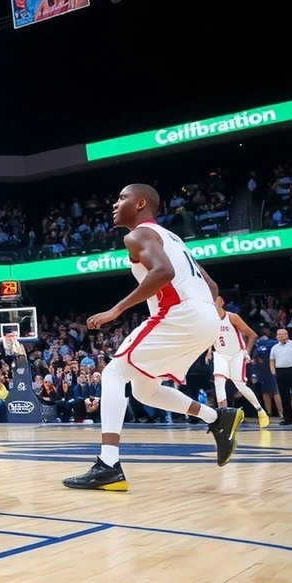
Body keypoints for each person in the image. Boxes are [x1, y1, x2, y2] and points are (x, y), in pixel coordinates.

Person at [62, 184, 242, 492]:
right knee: (145, 390)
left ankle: (108, 465)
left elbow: (163, 272)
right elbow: (211, 287)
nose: (114, 204)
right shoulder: (174, 238)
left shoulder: (138, 235)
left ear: (141, 203)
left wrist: (115, 310)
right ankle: (217, 417)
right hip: (205, 319)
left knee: (114, 373)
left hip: (180, 316)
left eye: (122, 198)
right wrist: (198, 315)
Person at [208, 296, 269, 428]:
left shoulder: (232, 317)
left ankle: (260, 410)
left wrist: (247, 350)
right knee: (219, 381)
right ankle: (223, 414)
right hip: (220, 354)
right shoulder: (210, 320)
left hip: (237, 354)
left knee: (240, 385)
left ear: (221, 302)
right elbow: (211, 337)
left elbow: (252, 334)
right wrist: (209, 351)